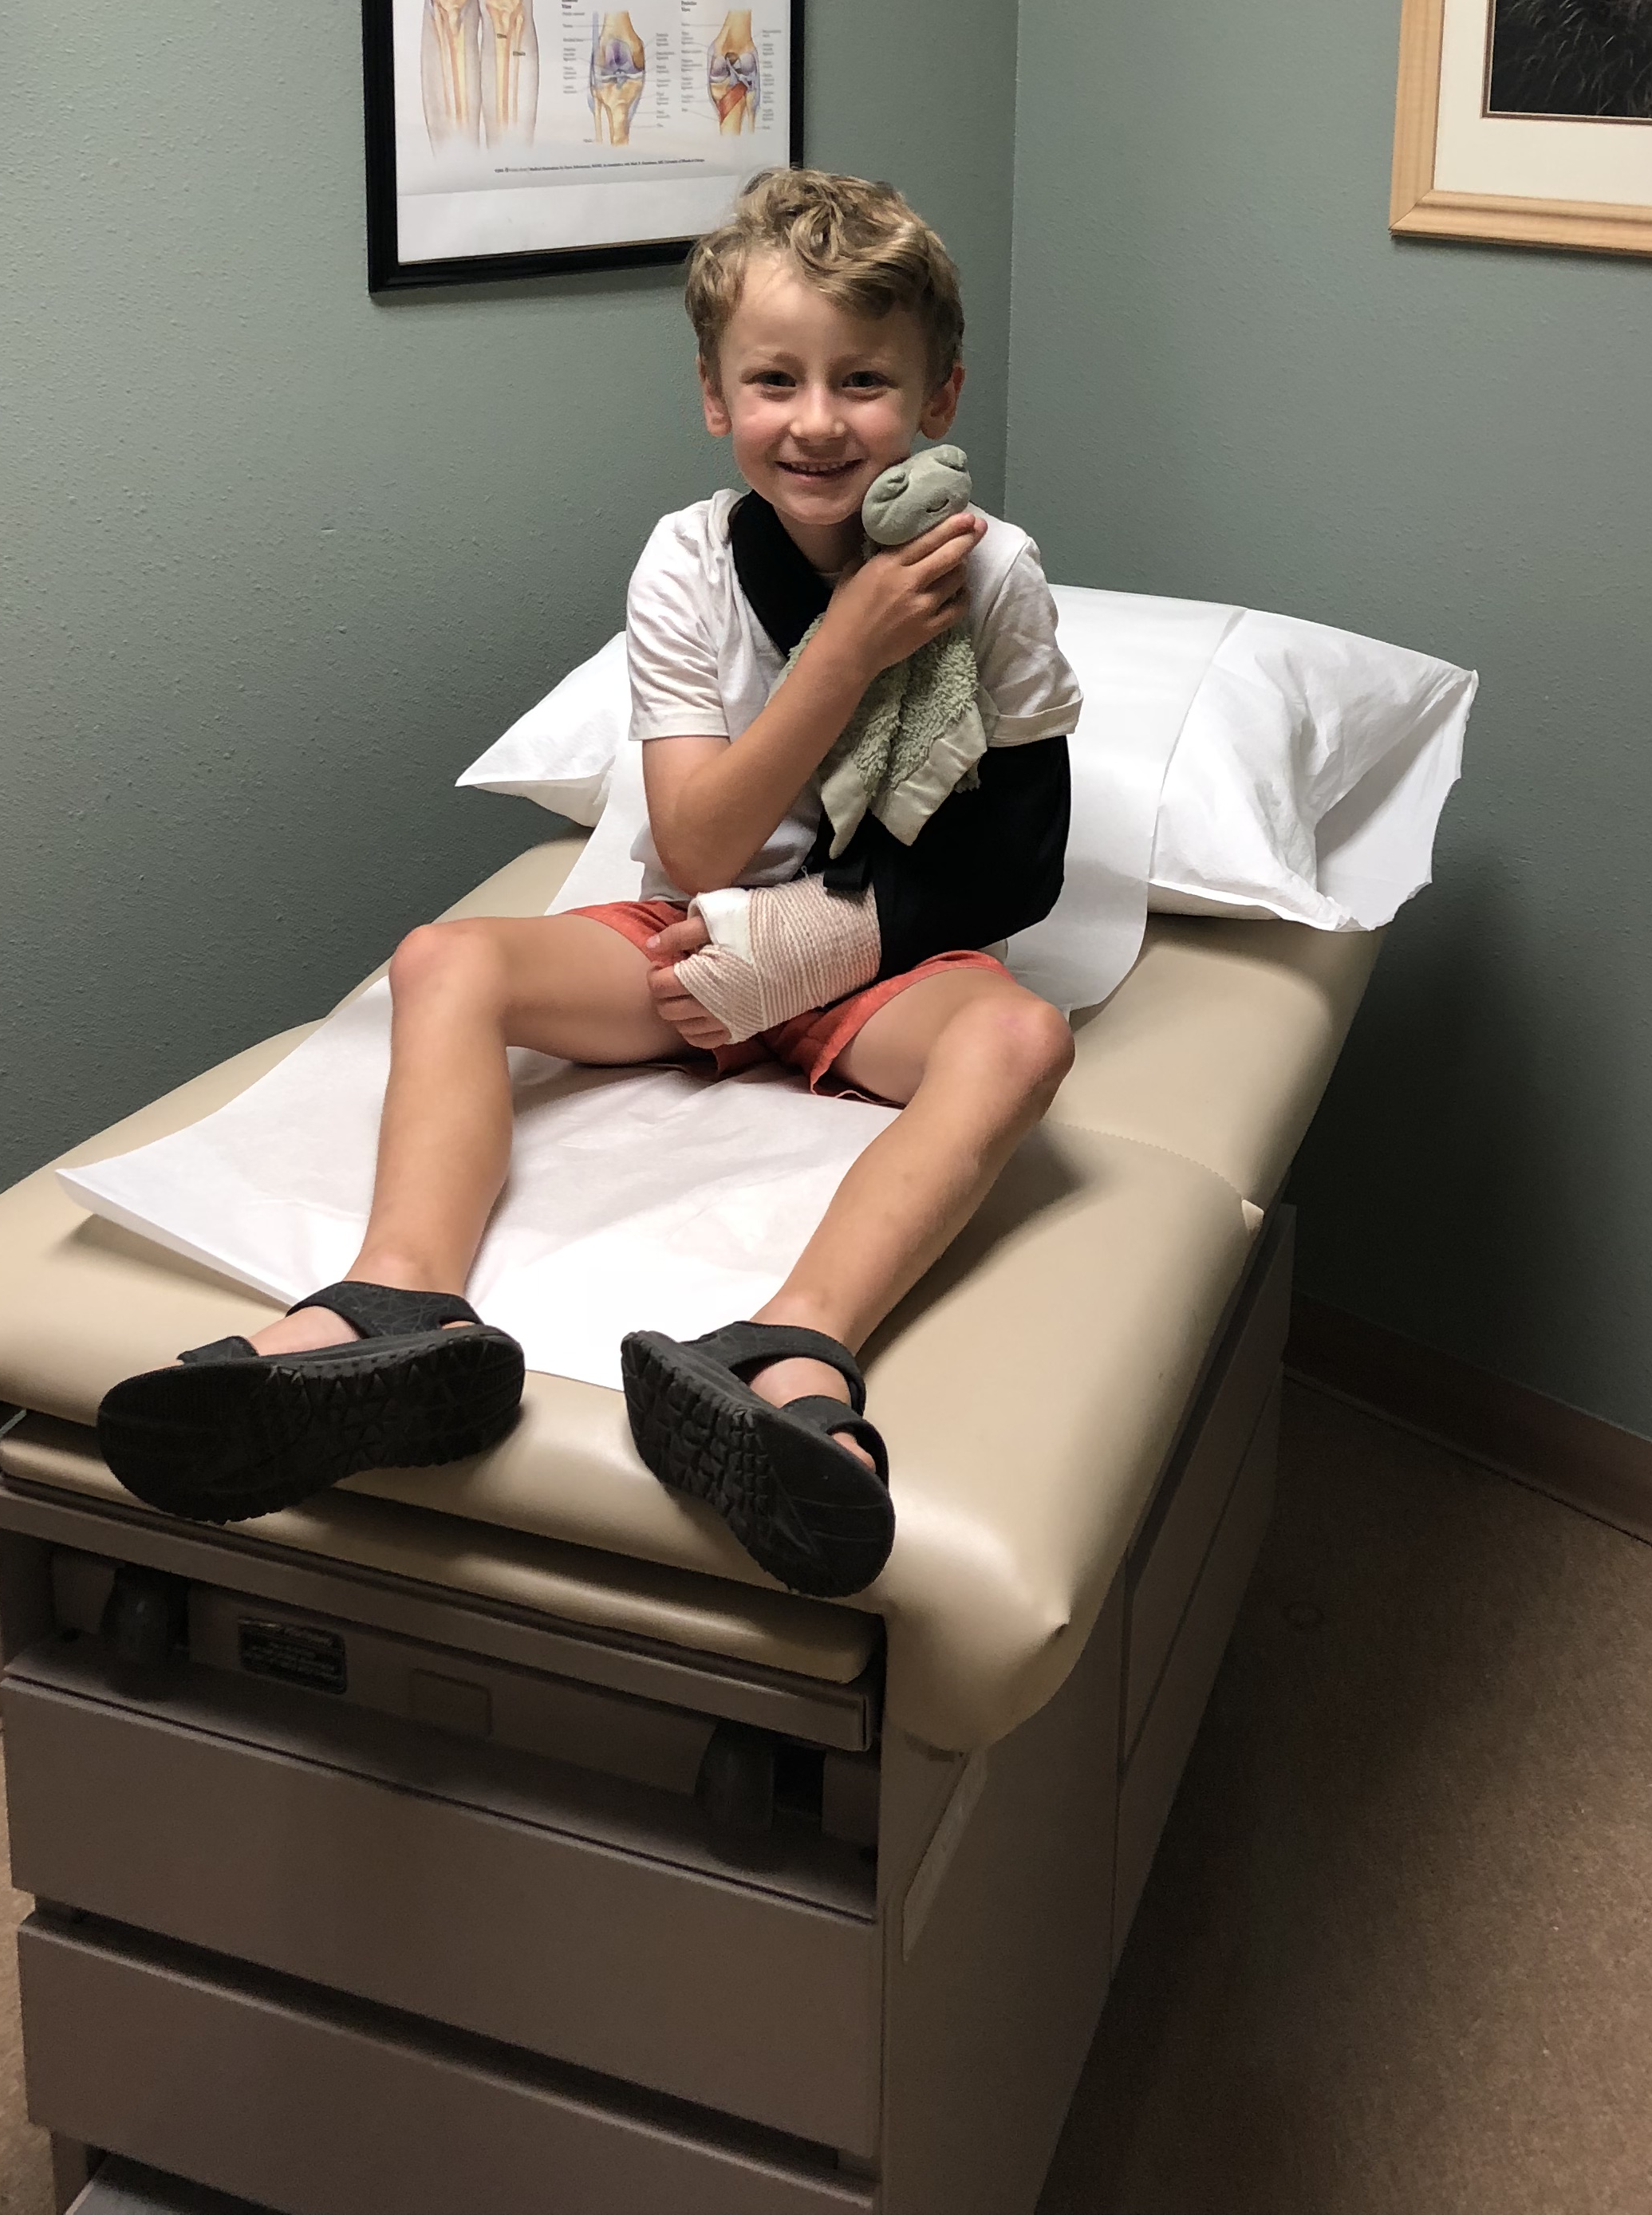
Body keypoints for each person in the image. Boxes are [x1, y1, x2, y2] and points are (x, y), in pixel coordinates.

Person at [97, 171, 1080, 1595]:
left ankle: (790, 1353)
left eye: (864, 381)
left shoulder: (992, 576)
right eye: (775, 380)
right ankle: (402, 1308)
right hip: (688, 938)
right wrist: (843, 653)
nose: (817, 421)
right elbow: (699, 847)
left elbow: (1026, 862)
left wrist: (806, 955)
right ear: (714, 396)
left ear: (940, 396)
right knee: (446, 958)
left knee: (1023, 1040)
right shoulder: (687, 564)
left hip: (876, 958)